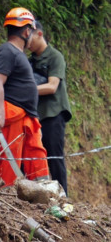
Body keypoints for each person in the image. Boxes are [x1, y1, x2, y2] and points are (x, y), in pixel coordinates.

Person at [0, 8, 50, 186]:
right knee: (10, 162)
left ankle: (41, 195)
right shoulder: (6, 51)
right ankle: (4, 199)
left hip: (27, 116)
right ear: (26, 31)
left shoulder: (18, 54)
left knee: (37, 156)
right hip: (12, 114)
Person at [30, 21, 71, 194]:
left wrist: (26, 90)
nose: (27, 42)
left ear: (39, 34)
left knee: (55, 158)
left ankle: (63, 198)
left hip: (53, 114)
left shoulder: (55, 57)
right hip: (35, 116)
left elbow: (52, 86)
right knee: (32, 159)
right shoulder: (29, 61)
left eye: (29, 37)